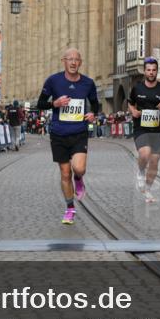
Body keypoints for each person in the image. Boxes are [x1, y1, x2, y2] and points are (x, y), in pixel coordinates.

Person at [37, 48, 101, 225]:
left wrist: (93, 114)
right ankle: (70, 208)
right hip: (58, 133)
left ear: (80, 63)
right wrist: (54, 103)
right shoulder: (53, 81)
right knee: (65, 173)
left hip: (79, 132)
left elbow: (96, 105)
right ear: (63, 61)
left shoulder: (88, 83)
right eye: (69, 59)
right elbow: (40, 103)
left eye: (76, 59)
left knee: (78, 169)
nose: (73, 62)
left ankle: (79, 179)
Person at [128, 57, 160, 203]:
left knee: (154, 162)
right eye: (148, 70)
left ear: (157, 71)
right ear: (144, 71)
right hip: (141, 127)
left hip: (157, 129)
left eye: (154, 70)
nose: (151, 72)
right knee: (145, 153)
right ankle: (140, 172)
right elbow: (130, 103)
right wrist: (133, 111)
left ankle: (147, 189)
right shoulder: (137, 88)